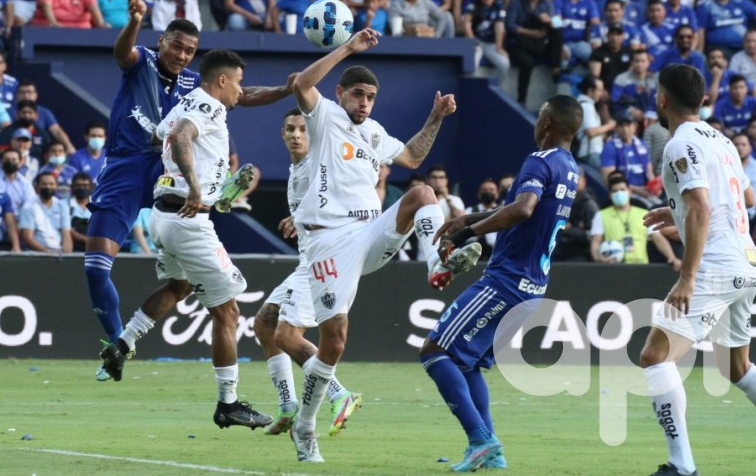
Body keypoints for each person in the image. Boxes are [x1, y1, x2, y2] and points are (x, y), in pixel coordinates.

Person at [288, 29, 482, 462]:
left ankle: (436, 260)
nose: (364, 103)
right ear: (340, 93)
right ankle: (305, 427)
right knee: (334, 341)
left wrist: (435, 118)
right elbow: (302, 84)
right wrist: (347, 49)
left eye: (371, 96)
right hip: (328, 241)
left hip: (368, 232)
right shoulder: (324, 116)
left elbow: (411, 157)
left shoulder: (373, 132)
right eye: (358, 94)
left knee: (422, 194)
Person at [86, 0, 293, 381]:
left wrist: (287, 90)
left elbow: (241, 95)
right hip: (127, 166)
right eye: (177, 45)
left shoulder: (193, 85)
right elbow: (122, 52)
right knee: (96, 269)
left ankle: (218, 193)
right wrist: (134, 21)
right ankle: (115, 342)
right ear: (161, 40)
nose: (182, 55)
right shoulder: (142, 60)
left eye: (190, 51)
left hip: (167, 166)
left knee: (180, 281)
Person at [101, 48, 273, 430]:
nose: (240, 92)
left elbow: (168, 132)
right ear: (222, 81)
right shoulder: (209, 106)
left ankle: (123, 343)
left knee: (177, 286)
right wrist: (197, 188)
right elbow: (180, 137)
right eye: (238, 83)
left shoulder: (183, 102)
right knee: (227, 312)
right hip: (188, 218)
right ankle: (228, 404)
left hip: (163, 215)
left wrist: (213, 188)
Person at [420, 95, 583, 471]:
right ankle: (490, 450)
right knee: (467, 362)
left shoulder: (538, 160)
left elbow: (523, 208)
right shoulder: (569, 167)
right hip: (532, 285)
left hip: (507, 281)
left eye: (539, 115)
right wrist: (472, 217)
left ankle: (481, 439)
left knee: (433, 351)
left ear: (546, 123)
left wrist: (467, 233)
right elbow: (528, 209)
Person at [640, 62, 756, 476]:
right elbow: (744, 196)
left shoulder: (678, 144)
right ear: (704, 99)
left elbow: (701, 206)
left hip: (715, 267)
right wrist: (675, 209)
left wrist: (688, 276)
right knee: (737, 368)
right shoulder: (724, 141)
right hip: (747, 261)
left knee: (655, 356)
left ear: (662, 99)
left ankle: (682, 466)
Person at [253, 108, 362, 437]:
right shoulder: (296, 168)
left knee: (287, 336)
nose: (296, 134)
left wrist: (301, 216)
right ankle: (288, 405)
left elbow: (339, 194)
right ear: (282, 134)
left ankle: (339, 394)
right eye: (290, 129)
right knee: (265, 322)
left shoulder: (321, 163)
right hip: (309, 262)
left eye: (302, 128)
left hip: (326, 261)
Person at [590, 173, 681, 267]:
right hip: (614, 266)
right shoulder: (601, 215)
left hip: (640, 268)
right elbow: (596, 241)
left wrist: (672, 257)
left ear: (629, 191)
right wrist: (598, 258)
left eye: (622, 190)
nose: (619, 193)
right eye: (615, 191)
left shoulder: (643, 213)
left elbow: (657, 238)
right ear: (610, 195)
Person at [19, 170, 72, 253]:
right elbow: (28, 237)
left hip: (58, 251)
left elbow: (66, 234)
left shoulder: (62, 206)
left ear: (56, 186)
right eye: (44, 184)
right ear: (37, 187)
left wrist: (67, 254)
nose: (48, 187)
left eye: (51, 184)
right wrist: (48, 253)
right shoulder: (29, 207)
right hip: (36, 253)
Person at [575, 75, 615, 169]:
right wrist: (610, 125)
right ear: (590, 90)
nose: (601, 93)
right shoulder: (586, 106)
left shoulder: (584, 104)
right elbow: (591, 132)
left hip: (591, 152)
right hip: (590, 153)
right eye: (599, 90)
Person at [0, 147, 34, 214]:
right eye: (7, 159)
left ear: (20, 162)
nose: (10, 162)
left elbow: (30, 205)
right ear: (1, 161)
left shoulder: (25, 183)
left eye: (14, 160)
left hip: (17, 219)